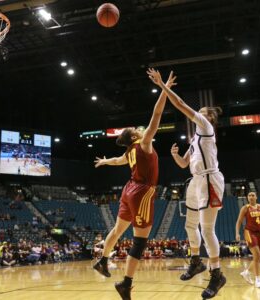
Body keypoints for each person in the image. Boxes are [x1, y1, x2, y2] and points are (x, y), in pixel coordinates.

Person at [93, 70, 176, 300]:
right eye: (134, 130)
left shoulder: (129, 151)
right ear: (134, 137)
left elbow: (117, 160)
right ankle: (126, 284)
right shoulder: (144, 143)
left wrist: (104, 161)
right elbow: (157, 114)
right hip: (141, 191)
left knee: (118, 231)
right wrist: (163, 88)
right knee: (140, 241)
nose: (139, 129)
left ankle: (103, 260)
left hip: (128, 189)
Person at [149, 69, 226, 299]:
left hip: (210, 179)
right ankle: (196, 262)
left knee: (208, 229)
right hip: (195, 181)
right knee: (190, 226)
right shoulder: (195, 139)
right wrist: (174, 156)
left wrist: (163, 86)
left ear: (209, 117)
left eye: (201, 112)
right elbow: (184, 164)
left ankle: (217, 274)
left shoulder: (205, 127)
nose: (197, 113)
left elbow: (181, 104)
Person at [235, 192, 260, 288]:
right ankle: (257, 279)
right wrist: (237, 233)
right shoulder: (245, 208)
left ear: (256, 197)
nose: (251, 197)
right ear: (247, 198)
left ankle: (246, 272)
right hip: (249, 232)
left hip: (259, 233)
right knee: (257, 255)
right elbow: (239, 221)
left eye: (253, 195)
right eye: (249, 195)